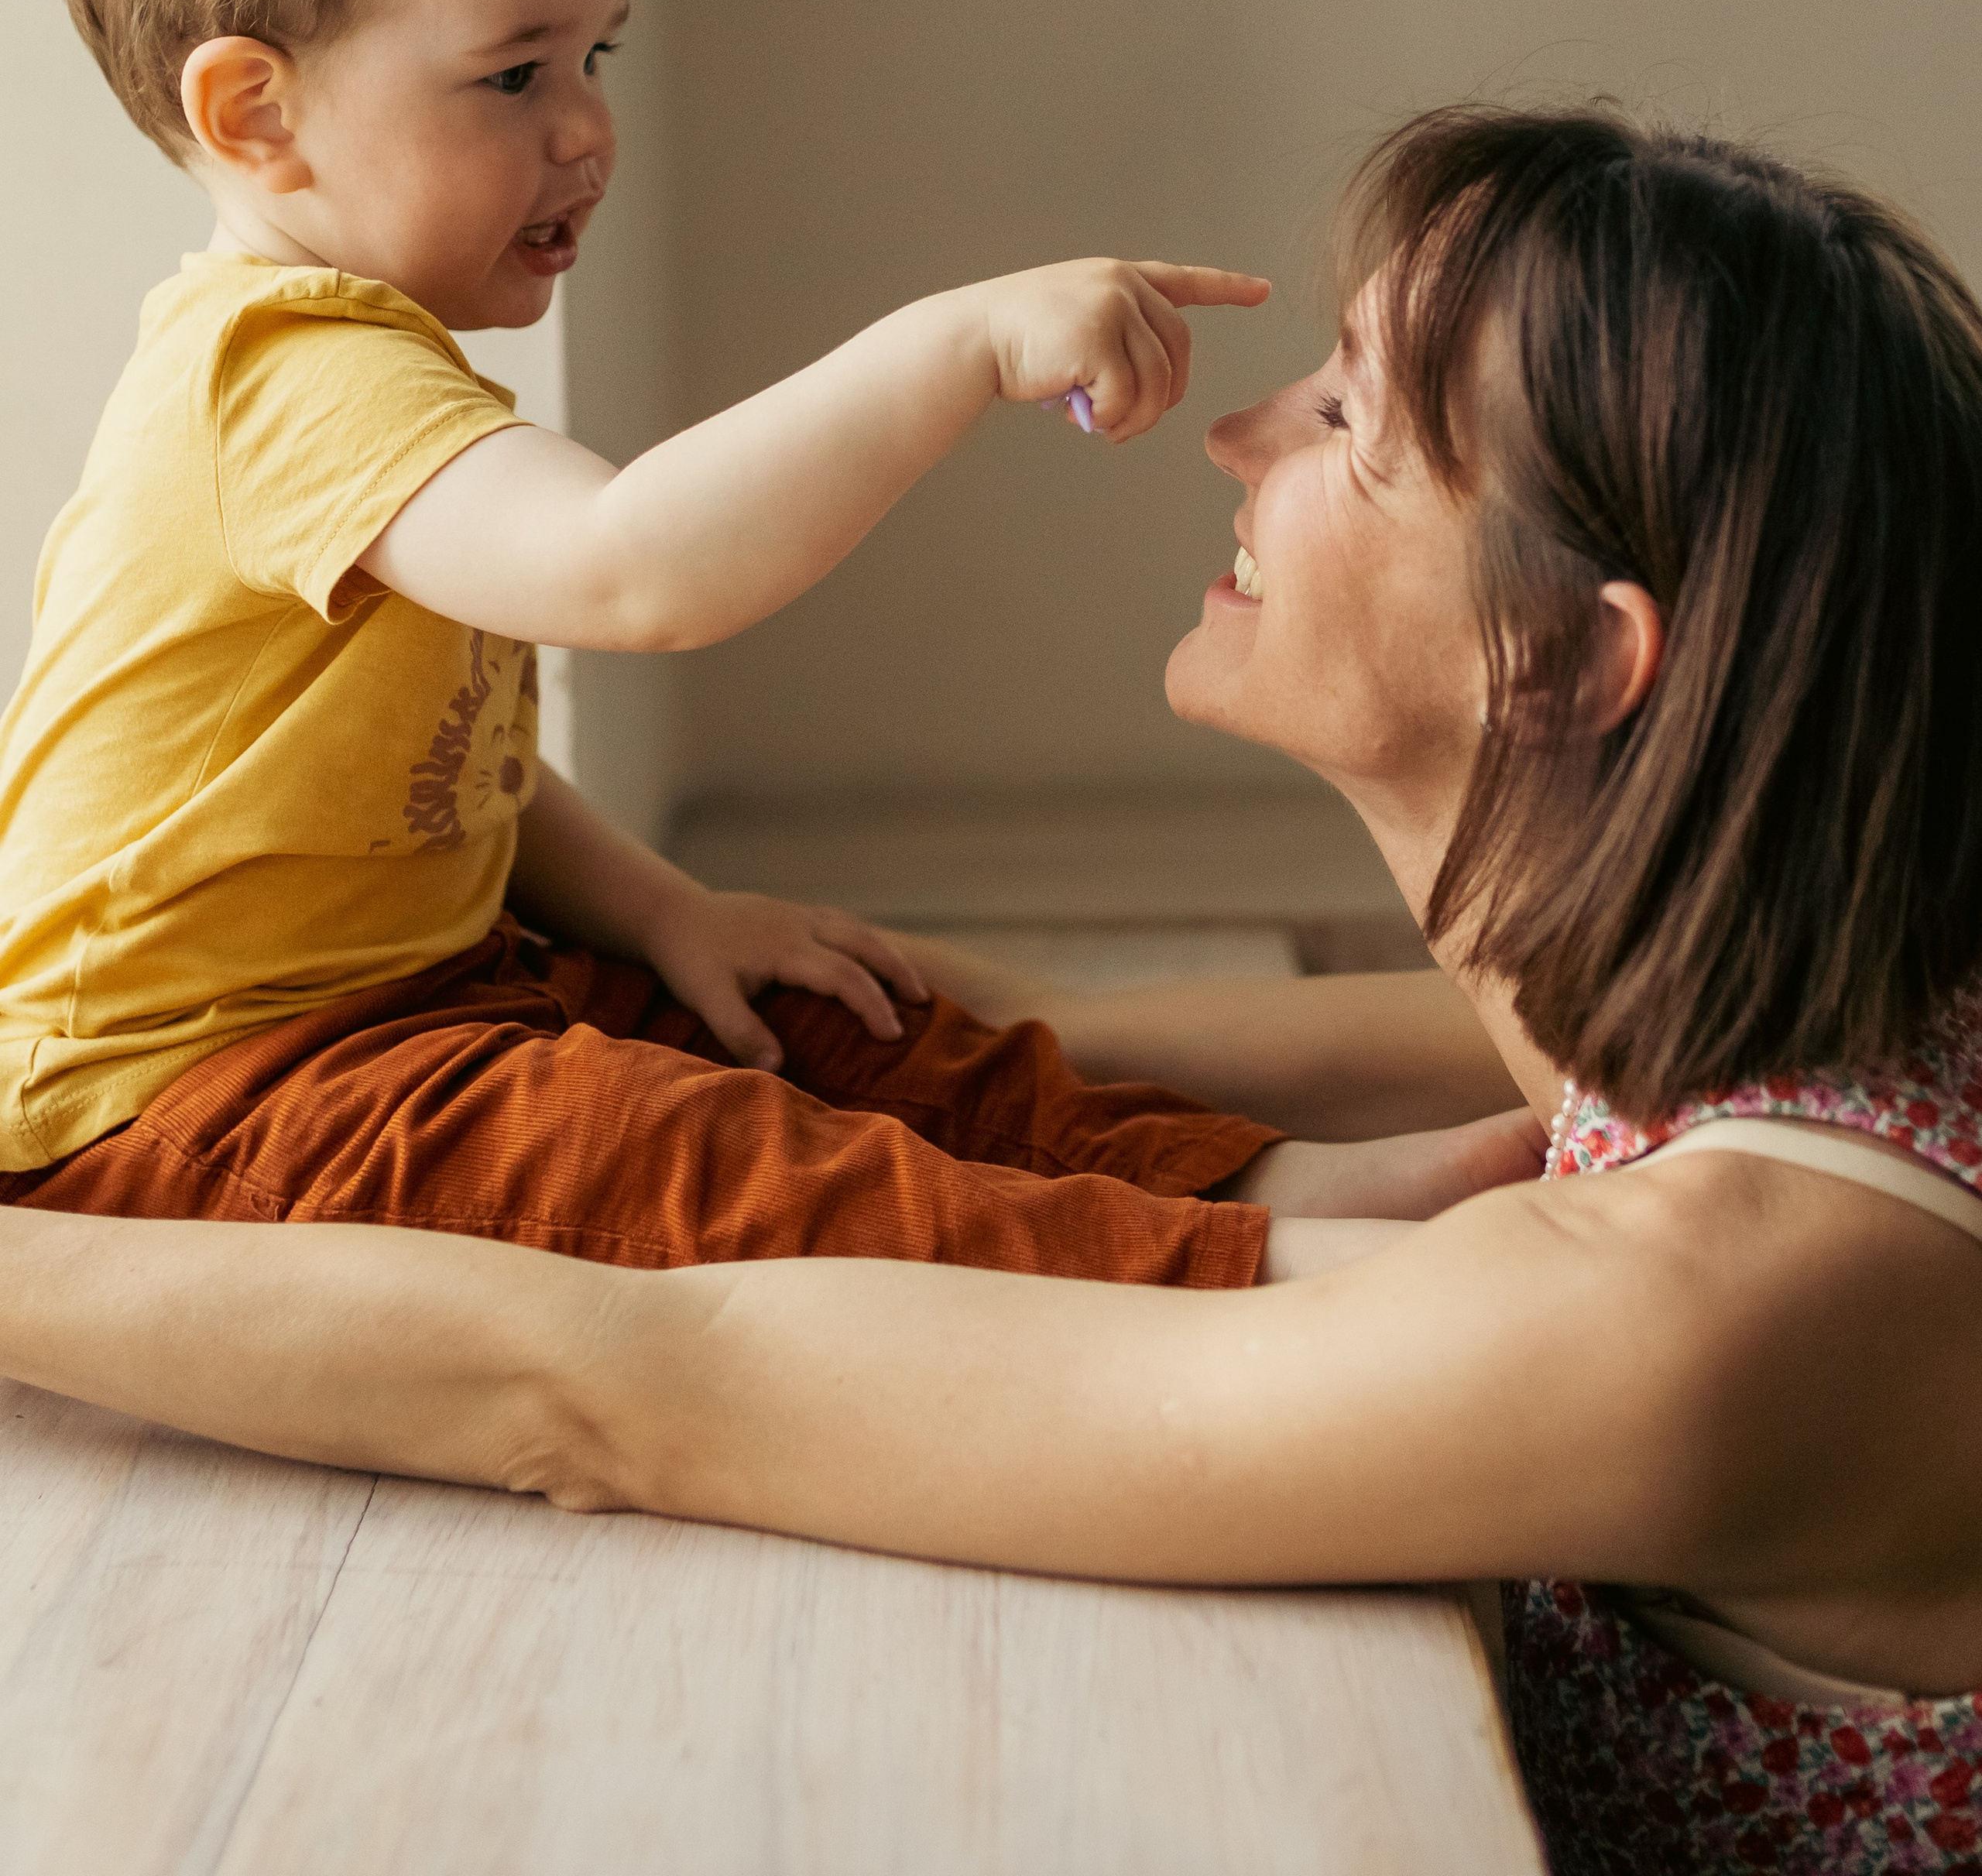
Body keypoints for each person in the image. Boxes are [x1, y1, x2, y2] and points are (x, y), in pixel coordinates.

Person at [6, 100, 1980, 1876]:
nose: (1233, 435)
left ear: (1559, 661)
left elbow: (631, 1389)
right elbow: (1044, 1029)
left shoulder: (1701, 1317)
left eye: (1342, 424)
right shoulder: (1785, 1018)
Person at [0, 0, 1528, 1301]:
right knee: (679, 1158)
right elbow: (634, 570)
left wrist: (668, 909)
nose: (587, 130)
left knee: (804, 1009)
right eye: (513, 77)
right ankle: (1262, 1266)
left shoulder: (359, 366)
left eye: (593, 56)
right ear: (257, 114)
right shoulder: (281, 377)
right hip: (184, 1099)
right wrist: (953, 346)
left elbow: (451, 772)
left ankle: (1253, 1178)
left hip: (417, 996)